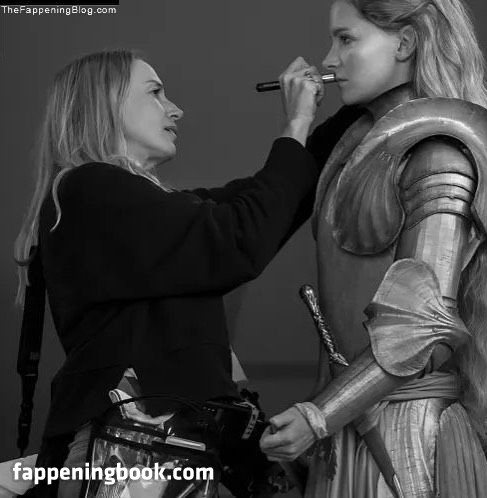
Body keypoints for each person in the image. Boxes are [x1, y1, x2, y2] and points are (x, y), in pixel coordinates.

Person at [260, 0, 487, 497]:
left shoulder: (439, 154)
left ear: (406, 42)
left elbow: (418, 332)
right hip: (350, 429)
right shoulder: (356, 147)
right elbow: (340, 336)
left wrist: (318, 416)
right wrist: (317, 424)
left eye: (346, 39)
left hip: (404, 440)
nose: (329, 60)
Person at [13, 49, 353, 496]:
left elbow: (270, 202)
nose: (175, 109)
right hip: (135, 459)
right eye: (155, 93)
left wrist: (355, 110)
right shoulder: (90, 187)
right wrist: (296, 123)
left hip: (155, 455)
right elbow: (240, 237)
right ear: (104, 104)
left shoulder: (121, 206)